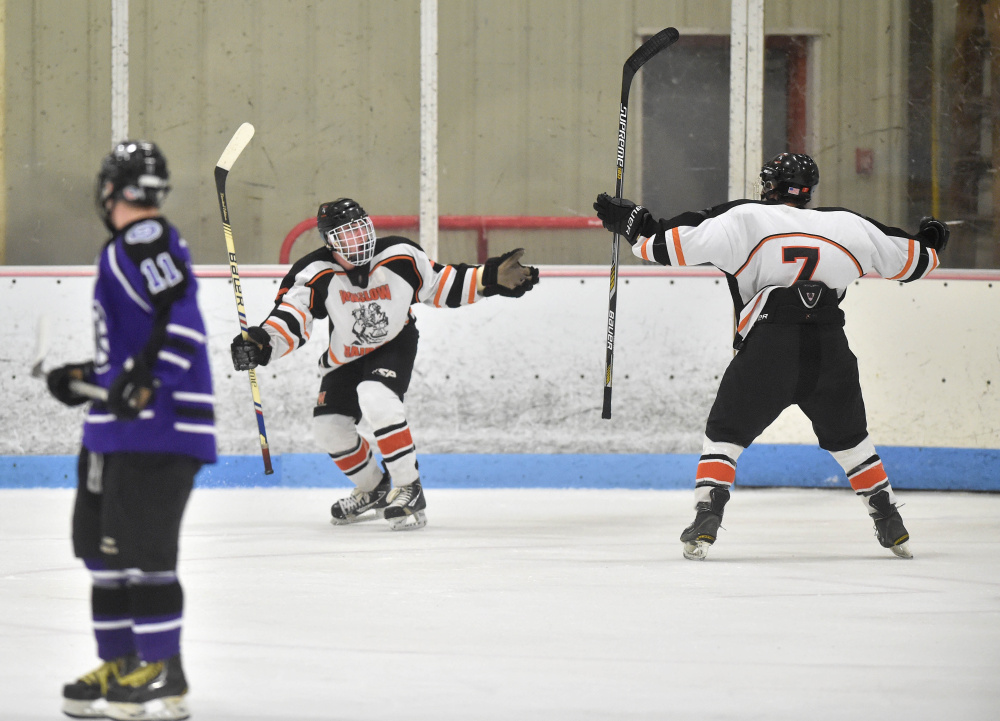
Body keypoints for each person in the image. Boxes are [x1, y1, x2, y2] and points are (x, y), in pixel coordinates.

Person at [594, 152, 949, 561]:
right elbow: (915, 262)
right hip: (829, 348)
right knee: (853, 441)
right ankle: (889, 519)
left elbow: (666, 245)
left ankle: (708, 515)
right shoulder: (849, 224)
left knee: (724, 435)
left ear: (769, 185)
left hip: (768, 347)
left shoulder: (744, 218)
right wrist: (932, 237)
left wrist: (634, 224)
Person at [231, 198, 538, 530]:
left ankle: (409, 487)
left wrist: (488, 278)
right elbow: (291, 318)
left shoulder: (400, 256)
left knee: (376, 395)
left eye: (360, 231)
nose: (358, 241)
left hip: (394, 342)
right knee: (329, 428)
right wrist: (260, 343)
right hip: (345, 355)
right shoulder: (314, 272)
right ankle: (373, 488)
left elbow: (439, 283)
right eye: (346, 236)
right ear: (330, 242)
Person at [46, 140, 215, 720]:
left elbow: (185, 322)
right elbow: (128, 358)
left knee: (144, 556)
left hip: (157, 430)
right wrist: (83, 378)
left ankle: (164, 671)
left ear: (115, 192)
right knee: (104, 556)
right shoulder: (124, 249)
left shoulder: (146, 240)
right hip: (114, 433)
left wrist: (145, 380)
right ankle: (122, 663)